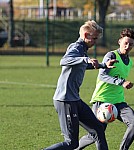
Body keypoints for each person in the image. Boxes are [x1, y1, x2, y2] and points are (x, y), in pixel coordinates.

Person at [43, 20, 118, 150]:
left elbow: (83, 65)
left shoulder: (83, 49)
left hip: (75, 100)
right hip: (65, 100)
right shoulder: (76, 47)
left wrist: (103, 65)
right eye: (94, 38)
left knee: (98, 129)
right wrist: (86, 59)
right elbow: (64, 60)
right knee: (71, 143)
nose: (95, 42)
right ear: (85, 35)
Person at [75, 28, 134, 150]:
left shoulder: (129, 61)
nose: (127, 46)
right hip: (102, 100)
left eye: (131, 44)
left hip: (119, 101)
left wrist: (125, 84)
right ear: (119, 41)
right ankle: (75, 147)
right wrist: (122, 82)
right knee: (96, 132)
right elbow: (102, 75)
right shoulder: (111, 55)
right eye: (125, 43)